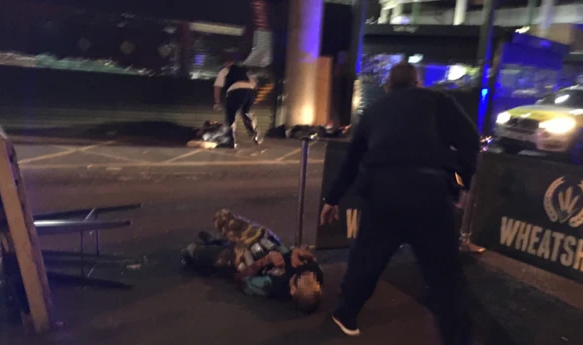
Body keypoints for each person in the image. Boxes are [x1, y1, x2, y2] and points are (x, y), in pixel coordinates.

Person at [320, 61, 479, 345]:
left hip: (384, 194)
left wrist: (332, 199)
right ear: (418, 83)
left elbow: (352, 161)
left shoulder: (374, 110)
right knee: (445, 274)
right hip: (430, 193)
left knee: (367, 259)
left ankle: (347, 315)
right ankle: (459, 339)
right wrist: (459, 180)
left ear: (387, 86)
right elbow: (470, 141)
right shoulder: (438, 100)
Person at [182, 210, 324, 314]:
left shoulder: (275, 285)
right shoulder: (314, 274)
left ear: (293, 290)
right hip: (262, 240)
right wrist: (297, 252)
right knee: (222, 216)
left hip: (244, 257)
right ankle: (220, 241)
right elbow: (312, 259)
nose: (307, 273)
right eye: (311, 276)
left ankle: (212, 247)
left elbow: (241, 280)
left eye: (300, 277)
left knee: (191, 250)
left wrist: (264, 261)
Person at [213, 53, 262, 148]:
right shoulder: (245, 70)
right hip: (249, 92)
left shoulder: (225, 70)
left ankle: (231, 140)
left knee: (231, 115)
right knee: (247, 113)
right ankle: (255, 135)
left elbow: (217, 87)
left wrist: (217, 102)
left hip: (235, 92)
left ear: (226, 63)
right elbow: (256, 85)